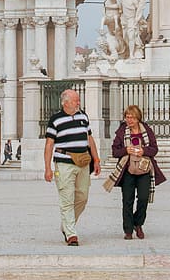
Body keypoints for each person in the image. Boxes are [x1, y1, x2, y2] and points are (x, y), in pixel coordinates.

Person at [44, 89, 101, 246]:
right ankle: (71, 234)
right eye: (76, 100)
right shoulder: (55, 120)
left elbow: (90, 139)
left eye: (78, 100)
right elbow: (49, 145)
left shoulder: (83, 116)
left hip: (83, 163)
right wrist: (47, 168)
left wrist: (96, 159)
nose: (78, 103)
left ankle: (66, 225)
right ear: (65, 102)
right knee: (67, 199)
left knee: (82, 197)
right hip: (64, 163)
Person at [104, 105, 166, 240]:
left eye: (132, 117)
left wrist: (143, 151)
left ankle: (138, 223)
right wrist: (126, 150)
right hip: (127, 169)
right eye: (127, 117)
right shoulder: (122, 131)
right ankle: (128, 230)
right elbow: (115, 151)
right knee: (127, 200)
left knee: (143, 198)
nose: (129, 120)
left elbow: (154, 149)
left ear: (138, 118)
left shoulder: (147, 130)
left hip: (144, 169)